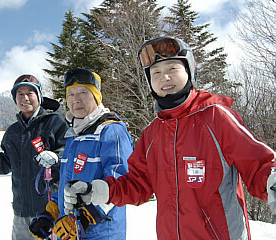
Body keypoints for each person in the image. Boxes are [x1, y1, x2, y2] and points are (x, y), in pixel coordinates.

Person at [63, 37, 276, 239]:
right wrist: (97, 190)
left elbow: (259, 165)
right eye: (155, 72)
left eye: (172, 69)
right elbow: (137, 184)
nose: (164, 77)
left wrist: (272, 181)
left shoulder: (216, 117)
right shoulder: (152, 135)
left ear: (189, 70)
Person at [29, 69, 132, 240]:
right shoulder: (75, 136)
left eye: (83, 92)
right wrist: (51, 213)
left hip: (102, 234)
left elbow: (122, 183)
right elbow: (66, 184)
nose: (76, 99)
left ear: (96, 96)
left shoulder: (111, 131)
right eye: (71, 94)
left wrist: (86, 217)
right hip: (71, 232)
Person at [0, 74, 68, 240]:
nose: (25, 98)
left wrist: (56, 157)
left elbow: (70, 154)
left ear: (39, 96)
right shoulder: (13, 131)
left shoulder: (54, 123)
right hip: (22, 210)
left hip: (49, 211)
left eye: (30, 93)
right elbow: (6, 162)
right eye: (20, 94)